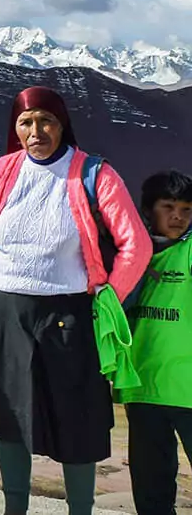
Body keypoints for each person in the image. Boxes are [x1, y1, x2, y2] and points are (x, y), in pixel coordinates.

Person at [0, 86, 152, 515]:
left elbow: (135, 245)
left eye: (46, 121)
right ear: (15, 129)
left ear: (62, 123)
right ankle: (15, 508)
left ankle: (80, 510)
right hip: (5, 310)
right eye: (26, 123)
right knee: (9, 416)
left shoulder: (94, 174)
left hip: (69, 313)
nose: (37, 131)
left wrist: (106, 299)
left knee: (76, 417)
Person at [117, 171, 192, 515]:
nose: (178, 216)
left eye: (187, 209)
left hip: (187, 389)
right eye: (169, 207)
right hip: (143, 388)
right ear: (148, 210)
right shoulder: (129, 256)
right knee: (151, 489)